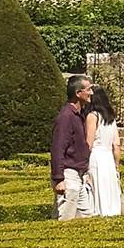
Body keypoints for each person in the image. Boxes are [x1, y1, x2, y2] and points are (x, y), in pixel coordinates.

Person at [50, 75, 94, 220]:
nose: (91, 93)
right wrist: (59, 178)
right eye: (88, 89)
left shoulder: (77, 114)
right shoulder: (66, 117)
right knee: (65, 219)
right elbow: (57, 148)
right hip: (69, 175)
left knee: (86, 216)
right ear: (78, 93)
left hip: (78, 175)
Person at [85, 86, 124, 217]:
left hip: (96, 156)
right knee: (109, 188)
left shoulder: (92, 116)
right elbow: (116, 145)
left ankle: (99, 214)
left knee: (96, 187)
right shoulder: (111, 118)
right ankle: (112, 213)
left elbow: (89, 143)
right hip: (108, 158)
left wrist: (82, 162)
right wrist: (117, 165)